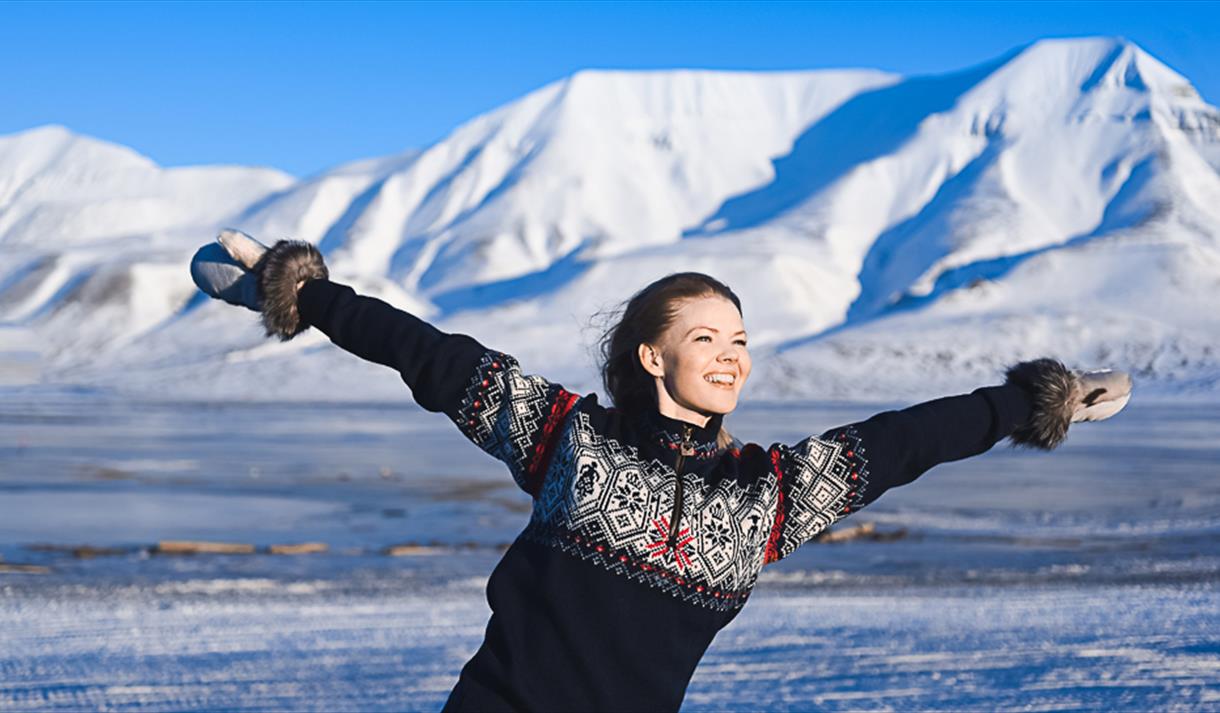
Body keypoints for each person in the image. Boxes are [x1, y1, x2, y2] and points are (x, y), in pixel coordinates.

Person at [190, 231, 1132, 712]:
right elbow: (429, 355)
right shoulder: (566, 438)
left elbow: (903, 441)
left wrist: (1036, 401)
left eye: (741, 341)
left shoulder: (767, 496)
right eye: (705, 338)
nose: (730, 356)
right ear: (651, 355)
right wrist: (304, 292)